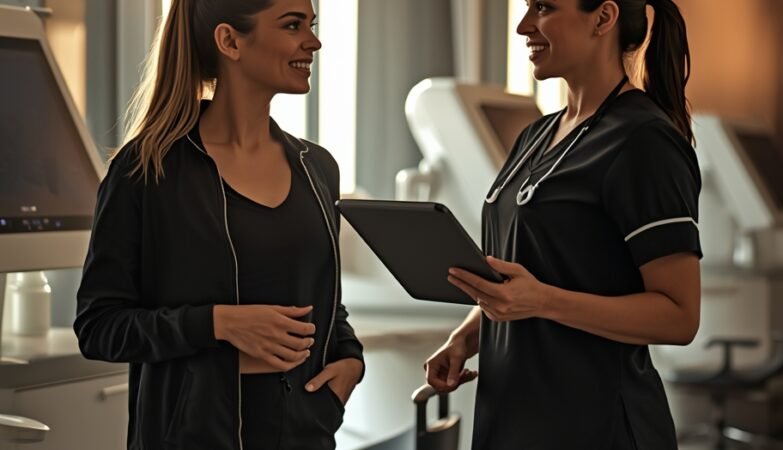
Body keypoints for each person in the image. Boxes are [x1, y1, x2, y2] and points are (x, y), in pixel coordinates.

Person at [74, 1, 364, 449]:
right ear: (229, 41)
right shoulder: (146, 171)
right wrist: (216, 323)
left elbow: (327, 306)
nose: (314, 41)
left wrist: (350, 364)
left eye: (312, 24)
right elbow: (99, 326)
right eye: (292, 25)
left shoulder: (318, 169)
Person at [425, 0, 700, 448]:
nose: (523, 26)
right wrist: (465, 338)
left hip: (597, 425)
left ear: (604, 18)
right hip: (513, 417)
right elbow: (530, 275)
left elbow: (680, 316)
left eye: (543, 8)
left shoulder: (644, 141)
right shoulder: (536, 135)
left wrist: (544, 302)